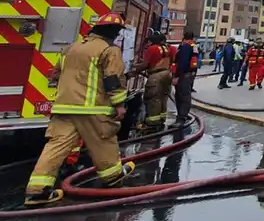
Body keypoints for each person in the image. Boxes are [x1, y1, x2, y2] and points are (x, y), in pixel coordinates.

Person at [23, 13, 136, 206]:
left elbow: (56, 74)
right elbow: (113, 79)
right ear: (113, 32)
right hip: (92, 109)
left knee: (55, 146)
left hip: (64, 107)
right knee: (103, 141)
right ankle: (113, 176)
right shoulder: (109, 50)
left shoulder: (70, 48)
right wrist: (119, 104)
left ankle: (37, 192)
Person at [132, 31, 173, 131]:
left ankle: (152, 124)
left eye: (148, 42)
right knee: (163, 98)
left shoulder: (152, 49)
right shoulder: (167, 48)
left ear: (152, 41)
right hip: (167, 74)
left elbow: (145, 65)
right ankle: (161, 120)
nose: (147, 44)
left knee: (153, 99)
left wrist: (134, 69)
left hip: (156, 76)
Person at [173, 31, 199, 125]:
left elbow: (182, 63)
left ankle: (181, 118)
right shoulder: (194, 46)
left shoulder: (186, 47)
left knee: (181, 96)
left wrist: (176, 76)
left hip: (184, 75)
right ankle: (183, 115)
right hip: (190, 74)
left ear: (184, 38)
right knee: (185, 95)